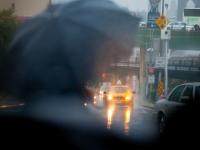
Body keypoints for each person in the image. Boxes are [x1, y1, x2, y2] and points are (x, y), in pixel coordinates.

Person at [0, 0, 141, 149]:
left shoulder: (30, 107)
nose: (107, 63)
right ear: (85, 57)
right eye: (105, 55)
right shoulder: (82, 127)